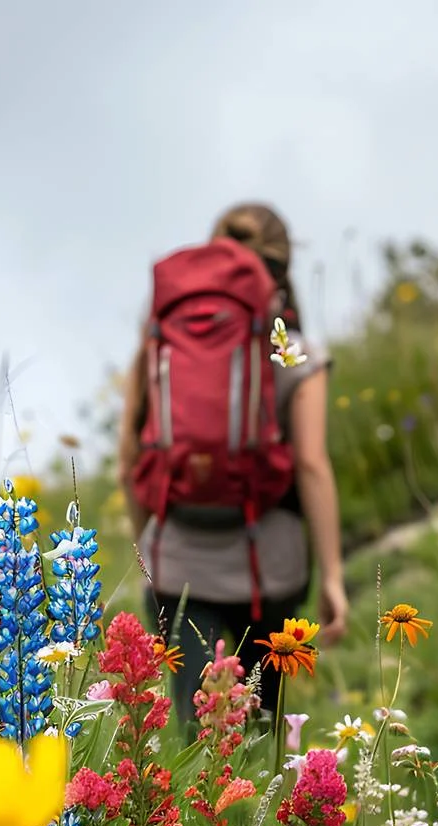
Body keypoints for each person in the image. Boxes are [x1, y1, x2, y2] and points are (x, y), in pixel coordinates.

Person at [119, 202, 349, 727]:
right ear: (283, 270)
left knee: (202, 740)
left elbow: (129, 458)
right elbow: (312, 465)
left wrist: (149, 556)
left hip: (176, 568)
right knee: (259, 731)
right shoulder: (295, 354)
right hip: (271, 570)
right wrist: (334, 575)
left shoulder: (159, 345)